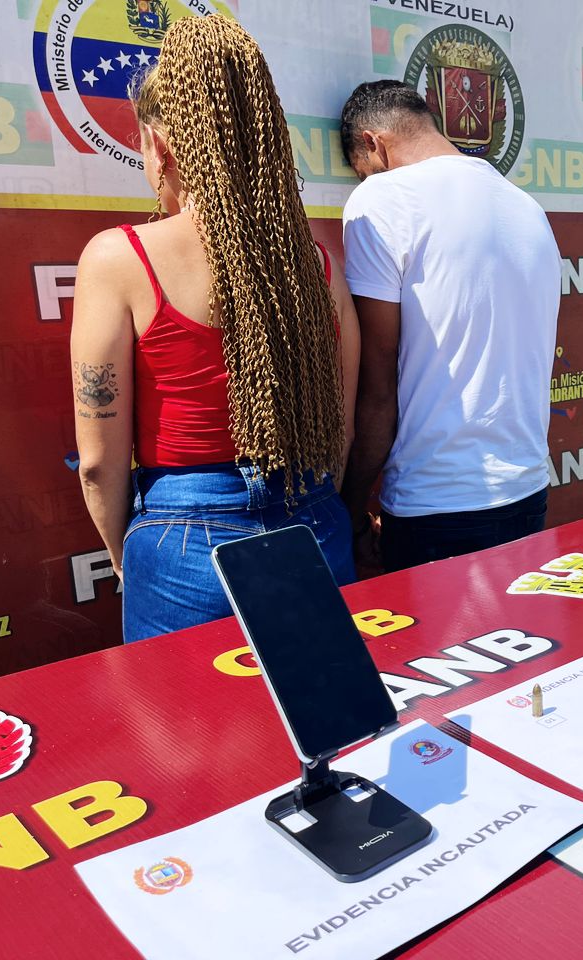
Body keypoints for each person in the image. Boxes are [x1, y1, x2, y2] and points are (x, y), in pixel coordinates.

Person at [71, 15, 360, 643]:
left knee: (189, 738)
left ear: (158, 142)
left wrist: (134, 558)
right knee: (322, 729)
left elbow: (98, 462)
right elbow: (340, 424)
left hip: (184, 539)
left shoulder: (118, 258)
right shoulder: (313, 261)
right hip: (314, 515)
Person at [338, 80, 560, 573]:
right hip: (525, 487)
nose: (364, 181)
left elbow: (377, 387)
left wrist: (351, 511)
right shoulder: (525, 205)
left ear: (374, 143)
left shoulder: (382, 198)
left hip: (435, 503)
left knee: (437, 653)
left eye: (361, 170)